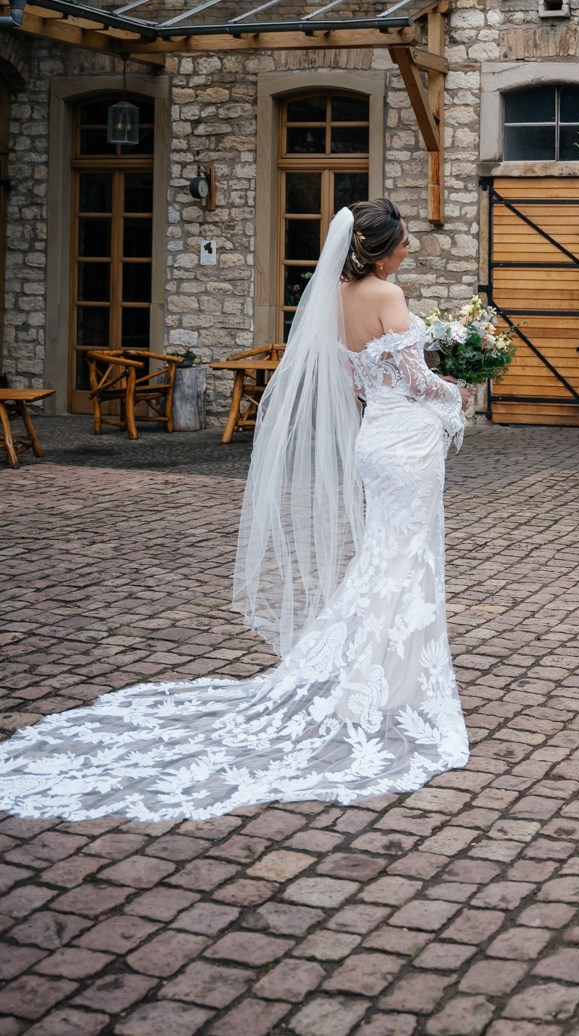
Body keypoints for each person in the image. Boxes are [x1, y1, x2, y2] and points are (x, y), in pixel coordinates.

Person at [0, 200, 471, 821]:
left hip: (374, 440)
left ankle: (372, 677)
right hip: (406, 440)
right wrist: (458, 387)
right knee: (406, 558)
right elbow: (413, 376)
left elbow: (358, 382)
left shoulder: (333, 297)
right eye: (405, 239)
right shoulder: (388, 293)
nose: (410, 247)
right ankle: (386, 684)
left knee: (388, 554)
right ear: (384, 247)